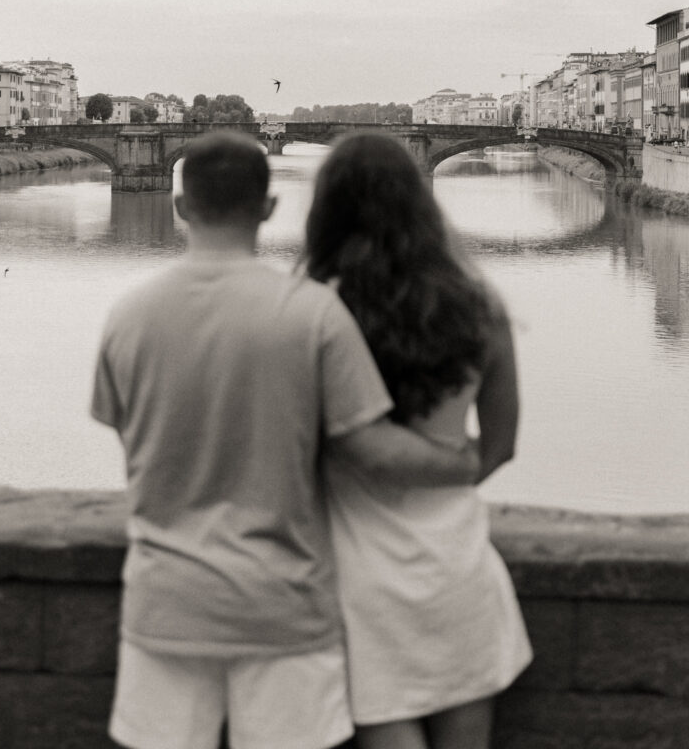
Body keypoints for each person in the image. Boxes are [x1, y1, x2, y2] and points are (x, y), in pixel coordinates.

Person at [90, 131, 480, 749]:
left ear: (180, 206)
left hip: (164, 602)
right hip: (283, 606)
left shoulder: (128, 314)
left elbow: (123, 426)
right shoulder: (315, 314)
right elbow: (367, 446)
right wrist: (472, 460)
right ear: (268, 209)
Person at [304, 132, 533, 749]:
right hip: (457, 561)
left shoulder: (316, 308)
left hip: (355, 568)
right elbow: (501, 446)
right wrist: (452, 467)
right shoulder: (479, 302)